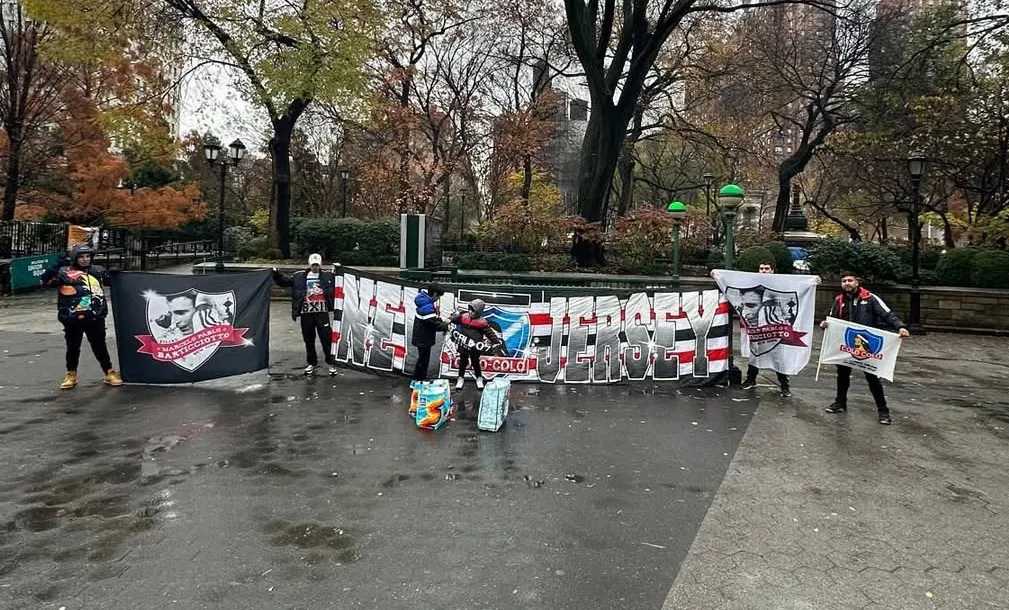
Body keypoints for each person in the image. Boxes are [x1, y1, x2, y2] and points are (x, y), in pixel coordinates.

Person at [820, 270, 910, 425]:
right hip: (846, 345)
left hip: (867, 346)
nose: (847, 283)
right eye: (844, 281)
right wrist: (825, 324)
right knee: (842, 375)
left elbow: (887, 314)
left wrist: (900, 326)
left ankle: (883, 411)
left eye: (850, 280)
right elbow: (832, 319)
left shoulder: (870, 298)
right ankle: (840, 403)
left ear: (857, 282)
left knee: (873, 378)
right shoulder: (839, 300)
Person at [40, 244, 122, 389]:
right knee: (73, 347)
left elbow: (112, 283)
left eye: (88, 256)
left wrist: (115, 274)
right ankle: (71, 374)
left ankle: (109, 372)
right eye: (81, 257)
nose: (85, 260)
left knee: (99, 345)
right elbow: (45, 282)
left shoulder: (98, 271)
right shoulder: (64, 272)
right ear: (74, 258)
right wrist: (55, 266)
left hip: (95, 315)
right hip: (72, 316)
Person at [273, 253, 338, 376]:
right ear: (309, 264)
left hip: (321, 312)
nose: (315, 267)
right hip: (306, 313)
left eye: (317, 265)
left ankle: (331, 363)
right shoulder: (299, 276)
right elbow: (285, 282)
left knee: (326, 338)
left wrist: (339, 269)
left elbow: (341, 281)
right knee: (309, 339)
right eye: (313, 265)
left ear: (320, 265)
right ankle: (311, 363)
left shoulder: (328, 276)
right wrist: (276, 274)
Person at [740, 260, 793, 396]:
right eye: (761, 268)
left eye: (766, 268)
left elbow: (785, 303)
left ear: (772, 270)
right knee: (754, 354)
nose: (763, 271)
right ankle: (751, 379)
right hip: (757, 326)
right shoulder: (753, 285)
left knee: (777, 357)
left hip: (773, 326)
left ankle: (784, 385)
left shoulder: (778, 286)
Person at [450, 299, 502, 391]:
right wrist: (448, 320)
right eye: (469, 309)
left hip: (475, 347)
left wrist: (496, 342)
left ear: (478, 312)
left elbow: (490, 333)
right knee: (463, 362)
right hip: (463, 345)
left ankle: (479, 378)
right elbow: (453, 319)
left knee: (475, 362)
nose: (470, 311)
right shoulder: (463, 317)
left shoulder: (482, 322)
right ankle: (460, 378)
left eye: (472, 310)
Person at [411, 283, 449, 381]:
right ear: (435, 294)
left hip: (420, 336)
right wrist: (446, 325)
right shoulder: (428, 308)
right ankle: (419, 381)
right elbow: (434, 325)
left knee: (422, 359)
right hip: (424, 339)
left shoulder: (423, 302)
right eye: (438, 297)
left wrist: (441, 320)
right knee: (423, 361)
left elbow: (432, 319)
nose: (438, 299)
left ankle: (418, 380)